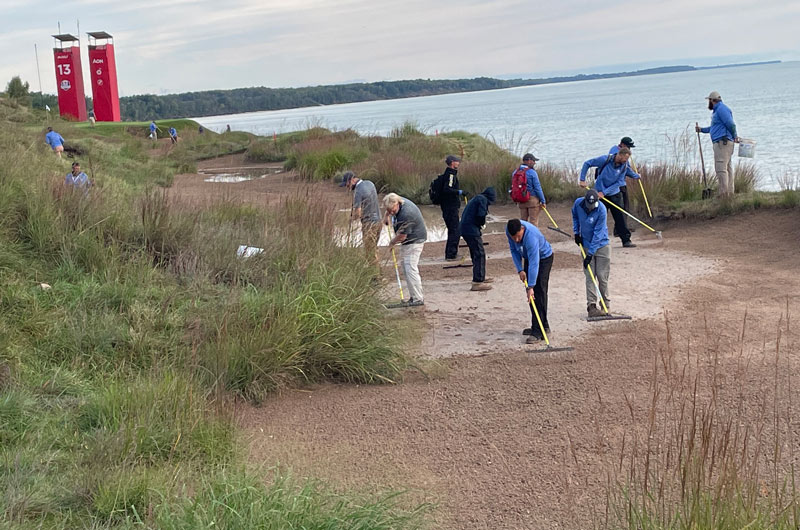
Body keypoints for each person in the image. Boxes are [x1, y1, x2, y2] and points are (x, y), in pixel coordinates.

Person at [579, 147, 640, 248]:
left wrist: (637, 176)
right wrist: (582, 179)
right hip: (599, 194)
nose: (625, 161)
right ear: (619, 155)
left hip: (614, 194)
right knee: (597, 217)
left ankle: (626, 240)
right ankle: (591, 240)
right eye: (624, 159)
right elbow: (587, 163)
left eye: (627, 160)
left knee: (620, 217)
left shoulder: (624, 166)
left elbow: (620, 182)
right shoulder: (605, 160)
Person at [506, 219, 554, 343]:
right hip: (529, 257)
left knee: (539, 292)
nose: (516, 240)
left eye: (518, 236)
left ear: (522, 229)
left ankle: (538, 332)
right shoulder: (509, 231)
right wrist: (520, 269)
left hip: (543, 258)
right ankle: (542, 325)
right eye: (513, 237)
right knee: (532, 296)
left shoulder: (531, 236)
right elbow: (514, 250)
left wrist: (531, 286)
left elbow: (534, 263)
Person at [383, 193, 427, 306]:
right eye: (389, 210)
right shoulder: (397, 202)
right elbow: (389, 210)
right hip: (408, 240)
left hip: (415, 240)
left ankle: (417, 299)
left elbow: (402, 237)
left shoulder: (406, 214)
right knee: (405, 266)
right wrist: (386, 216)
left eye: (393, 210)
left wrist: (392, 242)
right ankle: (413, 297)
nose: (391, 212)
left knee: (410, 267)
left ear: (397, 203)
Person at [572, 189, 610, 318]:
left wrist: (590, 254)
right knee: (590, 276)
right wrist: (577, 233)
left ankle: (605, 305)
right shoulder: (578, 203)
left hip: (602, 245)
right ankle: (591, 306)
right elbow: (575, 216)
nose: (590, 208)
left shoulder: (602, 210)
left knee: (602, 276)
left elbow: (598, 234)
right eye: (588, 205)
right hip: (586, 245)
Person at [696, 91, 739, 197]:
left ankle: (724, 194)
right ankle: (729, 193)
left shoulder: (721, 109)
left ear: (712, 100)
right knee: (727, 168)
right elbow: (714, 128)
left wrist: (735, 136)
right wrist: (701, 130)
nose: (708, 103)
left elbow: (731, 124)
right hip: (722, 142)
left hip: (722, 143)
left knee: (721, 168)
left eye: (709, 100)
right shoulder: (717, 111)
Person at [341, 171, 381, 272]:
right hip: (378, 221)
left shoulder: (358, 191)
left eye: (347, 184)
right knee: (374, 249)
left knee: (370, 252)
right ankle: (378, 273)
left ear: (351, 180)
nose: (347, 187)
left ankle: (376, 277)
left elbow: (358, 212)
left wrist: (351, 219)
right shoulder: (370, 183)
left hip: (369, 224)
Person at [459, 187, 497, 291]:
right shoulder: (482, 200)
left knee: (475, 253)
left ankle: (480, 276)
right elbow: (480, 215)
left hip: (465, 228)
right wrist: (481, 224)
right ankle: (477, 282)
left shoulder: (477, 198)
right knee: (479, 253)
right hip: (471, 230)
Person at [437, 155, 464, 261]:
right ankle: (451, 255)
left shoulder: (449, 174)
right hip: (450, 207)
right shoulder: (450, 175)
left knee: (453, 229)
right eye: (457, 162)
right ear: (452, 163)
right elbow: (447, 189)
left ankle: (451, 253)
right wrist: (459, 192)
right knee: (455, 230)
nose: (459, 163)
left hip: (448, 207)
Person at [511, 153, 546, 226]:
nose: (534, 163)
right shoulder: (532, 172)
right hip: (532, 200)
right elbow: (537, 188)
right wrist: (543, 200)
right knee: (533, 222)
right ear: (529, 161)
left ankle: (523, 236)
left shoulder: (515, 172)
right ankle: (532, 237)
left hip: (521, 199)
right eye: (533, 161)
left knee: (523, 222)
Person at [609, 137, 635, 212]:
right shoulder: (620, 154)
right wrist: (636, 175)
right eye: (628, 147)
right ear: (622, 144)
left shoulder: (614, 148)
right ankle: (623, 222)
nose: (629, 149)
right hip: (619, 184)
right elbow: (627, 170)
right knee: (623, 207)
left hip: (612, 183)